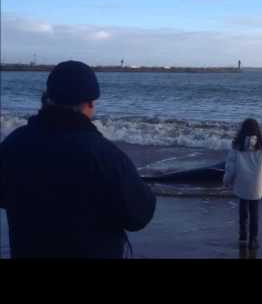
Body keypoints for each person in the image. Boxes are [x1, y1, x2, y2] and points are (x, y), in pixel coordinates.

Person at [0, 60, 156, 258]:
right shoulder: (102, 154)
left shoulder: (14, 142)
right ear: (90, 102)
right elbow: (139, 215)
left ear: (48, 97)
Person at [223, 118, 262, 250]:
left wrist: (227, 180)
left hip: (241, 184)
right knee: (254, 213)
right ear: (257, 130)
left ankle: (242, 237)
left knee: (242, 212)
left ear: (243, 129)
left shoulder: (237, 144)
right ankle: (253, 240)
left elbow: (231, 166)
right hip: (256, 185)